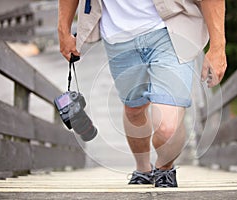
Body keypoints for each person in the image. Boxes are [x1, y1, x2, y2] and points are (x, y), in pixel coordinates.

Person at [58, 0, 227, 187]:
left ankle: (164, 168)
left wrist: (218, 47)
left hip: (170, 27)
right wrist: (63, 29)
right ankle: (143, 169)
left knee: (167, 128)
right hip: (117, 37)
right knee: (134, 109)